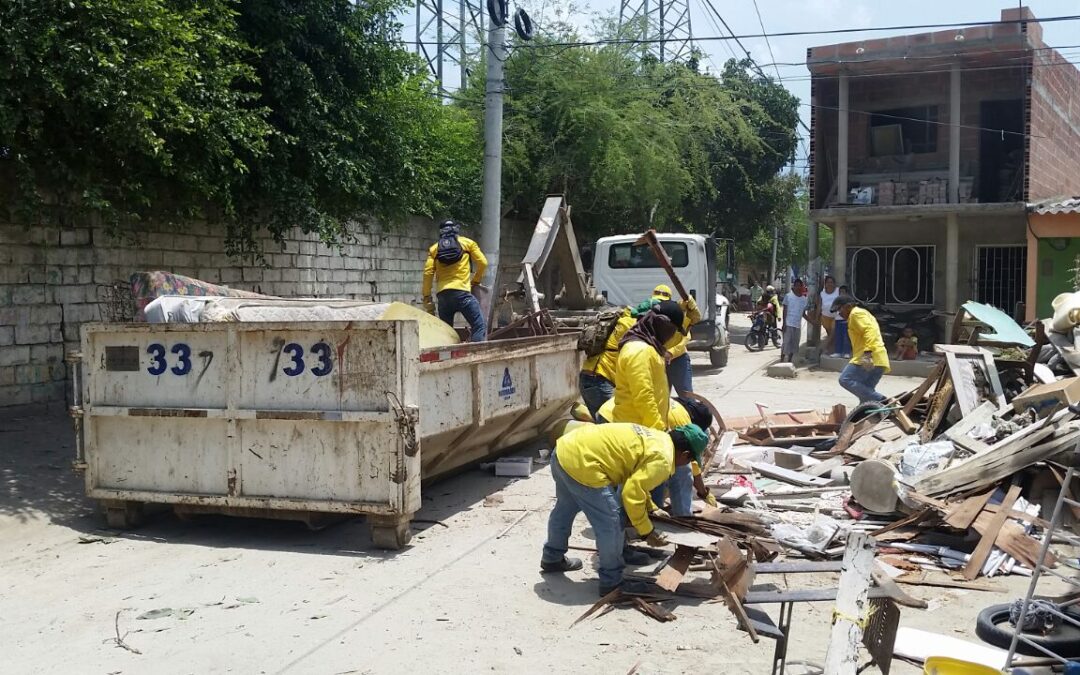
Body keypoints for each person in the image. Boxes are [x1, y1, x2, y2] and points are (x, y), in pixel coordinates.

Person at [539, 422, 709, 596]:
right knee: (612, 523)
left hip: (564, 451)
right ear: (685, 454)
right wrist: (647, 531)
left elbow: (635, 479)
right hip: (584, 464)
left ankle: (552, 557)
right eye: (690, 460)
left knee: (565, 508)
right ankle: (612, 582)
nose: (686, 464)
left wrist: (651, 507)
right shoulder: (664, 460)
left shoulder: (658, 437)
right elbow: (631, 493)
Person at [597, 395, 717, 516]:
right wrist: (703, 492)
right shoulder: (681, 422)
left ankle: (627, 515)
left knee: (638, 477)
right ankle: (671, 516)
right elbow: (690, 467)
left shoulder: (678, 409)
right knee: (663, 471)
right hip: (615, 418)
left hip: (609, 411)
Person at [610, 300, 685, 431]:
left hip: (644, 430)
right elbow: (643, 395)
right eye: (673, 330)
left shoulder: (650, 346)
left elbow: (676, 340)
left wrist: (690, 320)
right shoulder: (639, 350)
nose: (672, 336)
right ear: (663, 325)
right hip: (637, 432)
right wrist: (658, 429)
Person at [421, 220, 488, 342]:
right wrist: (476, 281)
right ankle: (475, 357)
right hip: (462, 294)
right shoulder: (467, 243)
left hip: (443, 297)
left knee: (446, 333)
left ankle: (446, 358)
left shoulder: (434, 249)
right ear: (456, 230)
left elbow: (428, 274)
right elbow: (483, 263)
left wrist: (427, 298)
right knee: (479, 326)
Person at [635, 284, 700, 395]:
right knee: (660, 397)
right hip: (657, 360)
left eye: (662, 301)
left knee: (687, 396)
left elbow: (690, 328)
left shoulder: (677, 316)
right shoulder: (648, 319)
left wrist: (692, 307)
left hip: (678, 360)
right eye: (657, 302)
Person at [578, 308, 637, 420]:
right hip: (601, 380)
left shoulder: (618, 321)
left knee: (602, 425)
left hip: (588, 378)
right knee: (614, 424)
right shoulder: (632, 325)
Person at [832, 295, 891, 403]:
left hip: (869, 356)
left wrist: (867, 354)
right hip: (880, 358)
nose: (839, 313)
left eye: (840, 309)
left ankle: (883, 401)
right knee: (866, 396)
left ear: (848, 306)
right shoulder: (862, 313)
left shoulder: (855, 314)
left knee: (845, 379)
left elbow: (869, 331)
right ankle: (869, 417)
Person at [781, 279, 810, 363]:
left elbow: (803, 314)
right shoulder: (788, 296)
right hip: (788, 323)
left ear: (801, 287)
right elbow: (784, 310)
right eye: (796, 285)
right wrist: (784, 323)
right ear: (794, 286)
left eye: (799, 285)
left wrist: (812, 321)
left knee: (794, 344)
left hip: (797, 325)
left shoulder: (804, 299)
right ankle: (782, 360)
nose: (797, 287)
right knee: (786, 343)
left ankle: (790, 361)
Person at [818, 276, 840, 353]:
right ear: (825, 284)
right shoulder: (822, 293)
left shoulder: (838, 291)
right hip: (825, 317)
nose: (830, 284)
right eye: (828, 282)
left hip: (836, 316)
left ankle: (824, 347)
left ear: (834, 284)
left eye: (831, 282)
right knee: (830, 334)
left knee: (833, 333)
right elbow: (819, 305)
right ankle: (832, 349)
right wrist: (817, 317)